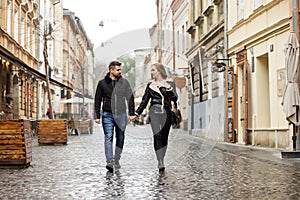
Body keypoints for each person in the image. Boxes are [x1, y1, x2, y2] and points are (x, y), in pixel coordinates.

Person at [131, 63, 178, 173]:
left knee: (164, 137)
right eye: (151, 70)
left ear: (159, 71)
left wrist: (169, 88)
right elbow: (144, 101)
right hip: (154, 112)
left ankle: (162, 157)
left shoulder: (170, 83)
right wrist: (137, 113)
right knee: (157, 135)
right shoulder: (150, 85)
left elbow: (175, 98)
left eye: (153, 70)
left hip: (166, 112)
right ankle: (160, 161)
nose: (151, 72)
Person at [94, 60, 136, 173]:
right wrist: (97, 115)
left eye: (120, 69)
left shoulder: (124, 82)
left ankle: (117, 159)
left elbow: (130, 97)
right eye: (117, 70)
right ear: (111, 70)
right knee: (108, 137)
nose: (119, 71)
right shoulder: (102, 83)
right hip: (107, 114)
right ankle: (110, 161)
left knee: (120, 138)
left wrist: (132, 113)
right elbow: (97, 99)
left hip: (121, 114)